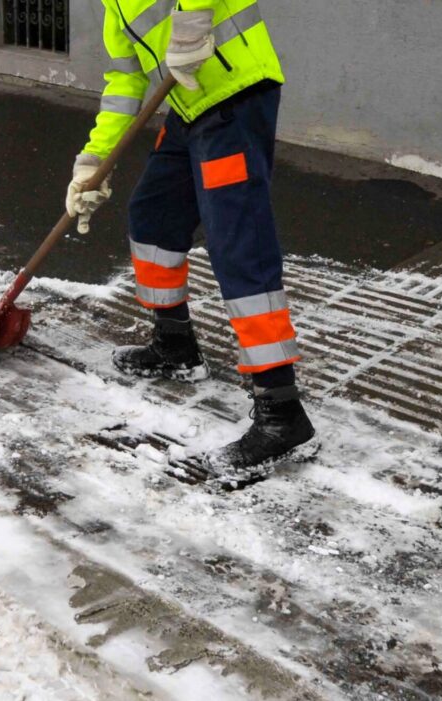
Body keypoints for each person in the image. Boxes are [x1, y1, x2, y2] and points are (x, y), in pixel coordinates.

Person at [66, 0, 314, 471]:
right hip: (188, 110)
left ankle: (282, 412)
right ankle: (175, 346)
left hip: (233, 98)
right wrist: (93, 161)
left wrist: (194, 20)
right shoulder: (113, 9)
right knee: (153, 219)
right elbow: (126, 81)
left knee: (237, 242)